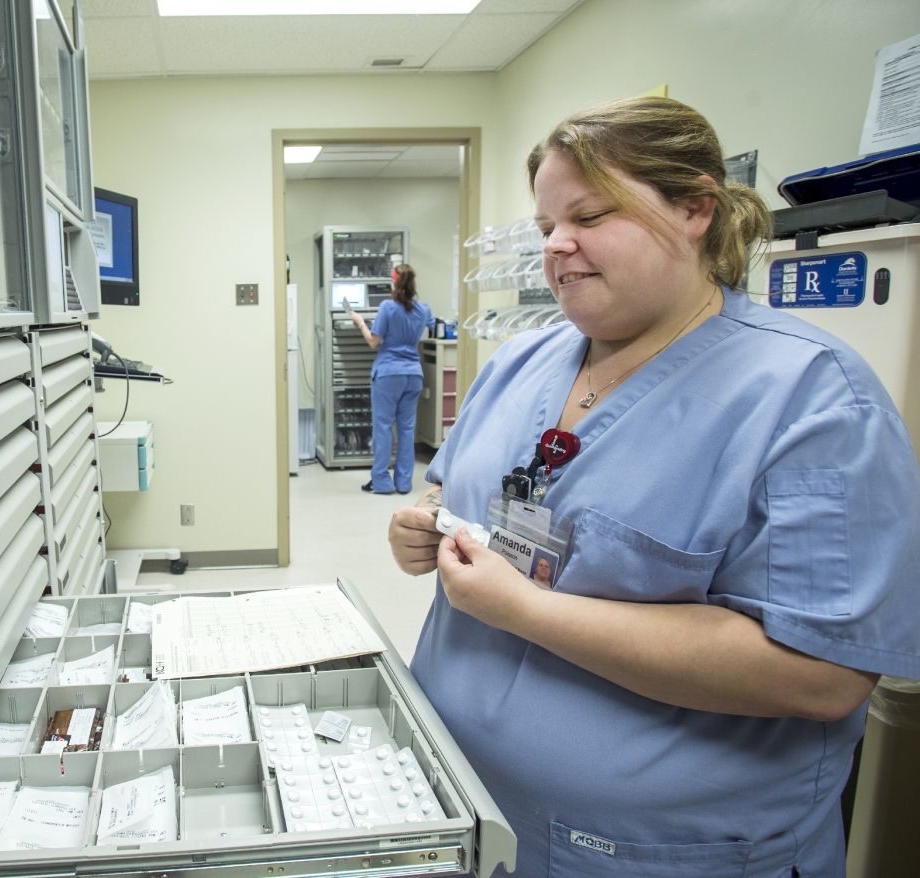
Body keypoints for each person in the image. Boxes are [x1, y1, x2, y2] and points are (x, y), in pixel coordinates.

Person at [387, 96, 920, 877]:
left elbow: (821, 673)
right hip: (471, 810)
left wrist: (526, 609)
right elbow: (452, 488)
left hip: (659, 851)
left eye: (591, 215)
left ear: (696, 208)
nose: (558, 246)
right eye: (544, 229)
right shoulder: (521, 363)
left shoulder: (812, 398)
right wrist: (422, 522)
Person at [350, 263, 435, 494]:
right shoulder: (423, 309)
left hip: (388, 374)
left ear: (393, 282)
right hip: (413, 375)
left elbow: (373, 342)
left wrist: (360, 322)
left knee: (384, 428)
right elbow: (433, 326)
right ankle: (404, 483)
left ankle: (381, 482)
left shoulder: (388, 307)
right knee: (407, 430)